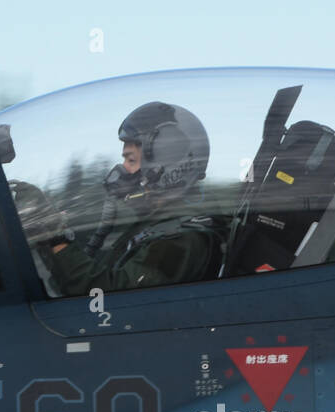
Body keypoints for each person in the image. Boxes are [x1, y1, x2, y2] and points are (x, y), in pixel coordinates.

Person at [23, 102, 226, 296]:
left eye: (131, 160)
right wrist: (49, 239)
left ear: (165, 165)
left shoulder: (181, 239)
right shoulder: (156, 225)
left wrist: (56, 237)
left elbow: (106, 298)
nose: (122, 169)